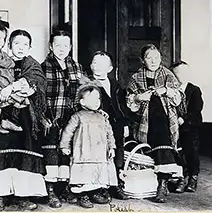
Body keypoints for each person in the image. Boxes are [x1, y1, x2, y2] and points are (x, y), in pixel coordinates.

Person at [0, 29, 48, 212]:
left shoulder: (33, 65)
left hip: (25, 116)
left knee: (24, 151)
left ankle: (23, 196)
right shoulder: (0, 61)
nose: (20, 48)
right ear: (9, 45)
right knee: (0, 149)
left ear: (30, 47)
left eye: (25, 44)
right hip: (1, 113)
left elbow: (39, 84)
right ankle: (0, 195)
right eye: (16, 43)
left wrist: (24, 87)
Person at [126, 44, 183, 203]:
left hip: (166, 120)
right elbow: (130, 105)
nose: (153, 61)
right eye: (149, 57)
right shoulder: (135, 78)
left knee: (162, 134)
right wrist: (138, 98)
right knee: (159, 137)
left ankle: (162, 184)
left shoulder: (168, 75)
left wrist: (166, 90)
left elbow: (178, 100)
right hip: (144, 122)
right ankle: (163, 182)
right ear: (142, 60)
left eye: (156, 57)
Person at [41, 29, 86, 208]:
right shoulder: (43, 67)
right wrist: (43, 118)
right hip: (50, 117)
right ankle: (50, 189)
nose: (62, 49)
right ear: (51, 46)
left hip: (70, 117)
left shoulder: (76, 67)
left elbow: (81, 93)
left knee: (67, 151)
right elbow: (39, 97)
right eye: (57, 45)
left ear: (70, 47)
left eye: (65, 45)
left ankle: (66, 187)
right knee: (51, 151)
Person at [59, 81, 118, 209]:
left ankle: (94, 192)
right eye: (91, 99)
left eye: (97, 98)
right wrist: (64, 146)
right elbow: (68, 131)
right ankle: (82, 195)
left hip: (99, 153)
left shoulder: (103, 117)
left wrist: (112, 147)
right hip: (83, 151)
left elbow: (110, 133)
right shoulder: (78, 116)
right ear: (82, 102)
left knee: (96, 175)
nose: (96, 102)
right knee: (83, 176)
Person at [89, 51, 130, 201]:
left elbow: (123, 106)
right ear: (91, 66)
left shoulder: (115, 84)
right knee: (100, 156)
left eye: (102, 64)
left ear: (110, 68)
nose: (98, 67)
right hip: (98, 126)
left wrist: (125, 123)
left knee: (118, 155)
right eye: (95, 63)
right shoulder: (88, 84)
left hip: (116, 125)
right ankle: (101, 187)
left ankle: (116, 185)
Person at [170, 61, 203, 193]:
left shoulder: (194, 90)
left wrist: (184, 118)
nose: (180, 76)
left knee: (191, 151)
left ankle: (193, 177)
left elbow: (196, 109)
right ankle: (181, 178)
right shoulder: (171, 90)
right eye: (177, 73)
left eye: (184, 73)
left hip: (189, 126)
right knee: (176, 152)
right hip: (174, 126)